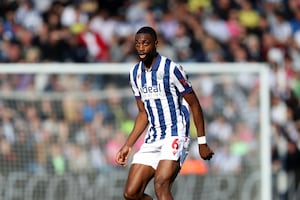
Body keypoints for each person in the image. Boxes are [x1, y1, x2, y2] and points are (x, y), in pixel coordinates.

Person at [115, 26, 214, 200]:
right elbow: (142, 113)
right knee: (131, 193)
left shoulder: (171, 69)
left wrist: (202, 141)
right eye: (137, 43)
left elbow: (195, 105)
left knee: (161, 185)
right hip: (153, 137)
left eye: (145, 43)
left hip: (175, 134)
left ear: (155, 44)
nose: (141, 47)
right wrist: (128, 145)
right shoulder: (135, 73)